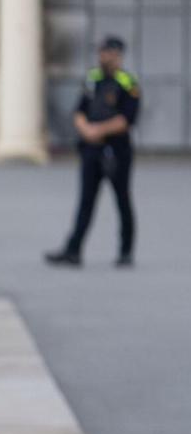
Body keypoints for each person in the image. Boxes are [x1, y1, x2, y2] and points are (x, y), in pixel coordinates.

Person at [46, 35, 141, 268]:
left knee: (122, 200)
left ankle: (126, 251)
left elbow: (127, 119)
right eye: (101, 52)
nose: (102, 56)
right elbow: (80, 110)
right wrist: (86, 129)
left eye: (106, 52)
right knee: (86, 201)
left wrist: (99, 130)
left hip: (117, 151)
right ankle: (73, 250)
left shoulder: (128, 82)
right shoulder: (93, 78)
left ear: (117, 55)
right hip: (91, 150)